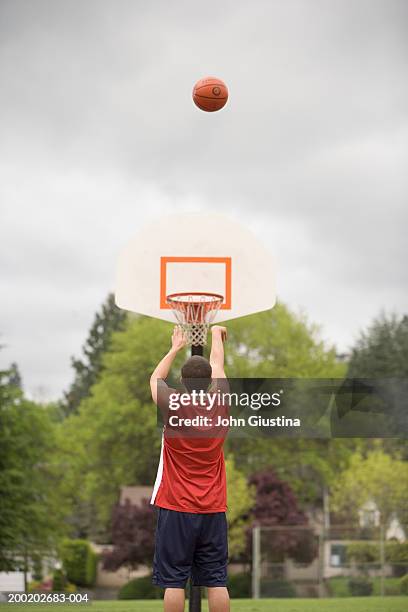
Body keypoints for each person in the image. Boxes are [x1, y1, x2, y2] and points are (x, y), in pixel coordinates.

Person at [150, 324, 230, 612]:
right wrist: (216, 336)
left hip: (176, 507)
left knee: (173, 581)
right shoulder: (221, 401)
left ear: (182, 381)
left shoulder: (172, 403)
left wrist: (174, 347)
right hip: (213, 508)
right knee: (217, 581)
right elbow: (218, 364)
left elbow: (155, 379)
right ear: (209, 381)